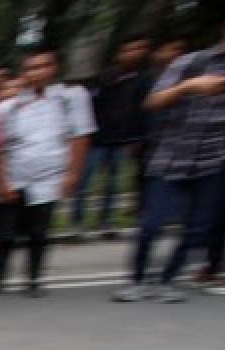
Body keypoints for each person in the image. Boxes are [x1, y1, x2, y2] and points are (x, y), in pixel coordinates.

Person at [114, 18, 225, 302]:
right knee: (151, 224)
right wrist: (189, 87)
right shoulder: (191, 63)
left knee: (198, 227)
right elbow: (152, 102)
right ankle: (139, 280)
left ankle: (169, 280)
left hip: (216, 162)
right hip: (170, 157)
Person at [0, 48, 95, 297]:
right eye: (31, 68)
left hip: (48, 178)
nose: (37, 73)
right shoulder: (8, 107)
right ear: (23, 73)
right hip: (14, 177)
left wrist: (73, 173)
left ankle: (34, 280)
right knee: (4, 235)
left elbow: (80, 137)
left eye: (43, 66)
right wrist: (1, 182)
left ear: (54, 68)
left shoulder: (70, 98)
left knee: (38, 233)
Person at [70, 35, 153, 239]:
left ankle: (106, 221)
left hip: (121, 140)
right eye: (129, 49)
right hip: (96, 139)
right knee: (84, 182)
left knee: (112, 184)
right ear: (120, 53)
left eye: (139, 49)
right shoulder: (106, 77)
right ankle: (77, 222)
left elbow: (142, 110)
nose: (134, 53)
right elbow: (90, 106)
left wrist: (138, 137)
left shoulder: (143, 80)